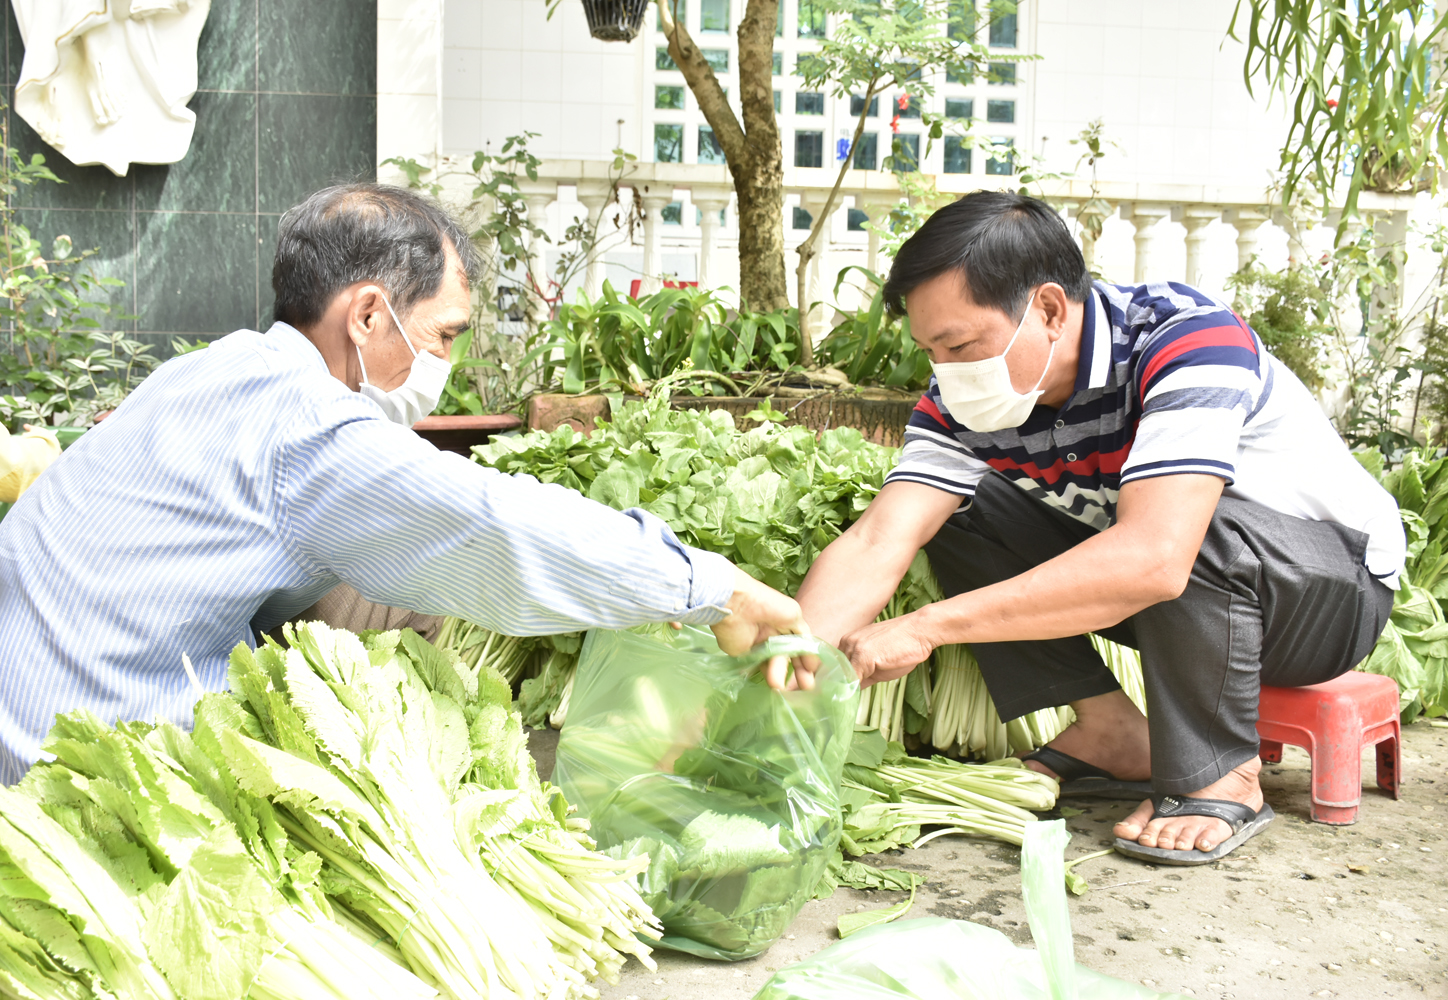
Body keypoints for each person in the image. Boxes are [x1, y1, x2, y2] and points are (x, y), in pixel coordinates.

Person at [0, 184, 809, 783]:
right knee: (428, 565)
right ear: (367, 315)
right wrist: (715, 588)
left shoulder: (213, 368)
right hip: (77, 759)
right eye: (444, 336)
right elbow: (491, 524)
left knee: (390, 585)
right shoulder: (309, 428)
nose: (445, 366)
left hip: (26, 701)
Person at [796, 191, 1403, 865]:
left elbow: (1156, 557)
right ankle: (1115, 733)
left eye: (961, 344)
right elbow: (880, 538)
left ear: (1050, 309)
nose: (946, 370)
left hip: (1326, 596)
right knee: (965, 514)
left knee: (1185, 527)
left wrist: (925, 626)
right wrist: (789, 657)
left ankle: (1221, 773)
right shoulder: (966, 406)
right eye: (931, 349)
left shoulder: (1186, 341)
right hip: (1179, 605)